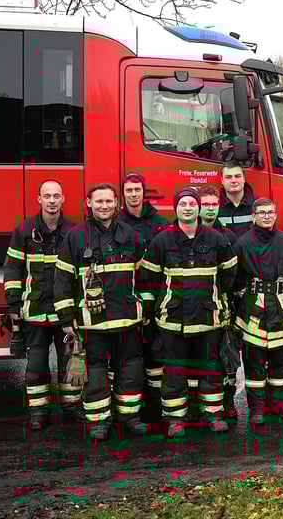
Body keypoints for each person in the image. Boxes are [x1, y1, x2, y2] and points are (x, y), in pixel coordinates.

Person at [138, 187, 236, 436]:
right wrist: (157, 307)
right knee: (174, 371)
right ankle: (175, 419)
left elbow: (229, 272)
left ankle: (212, 414)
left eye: (192, 203)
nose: (188, 208)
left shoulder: (215, 238)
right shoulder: (162, 240)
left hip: (208, 318)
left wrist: (214, 296)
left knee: (210, 369)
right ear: (176, 208)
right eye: (183, 204)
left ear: (199, 207)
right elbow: (149, 278)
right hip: (173, 320)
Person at [54, 183, 147, 440]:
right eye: (99, 201)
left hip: (128, 317)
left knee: (130, 367)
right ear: (88, 203)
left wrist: (145, 308)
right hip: (92, 322)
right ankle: (99, 420)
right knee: (95, 369)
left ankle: (129, 416)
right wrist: (66, 318)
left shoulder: (131, 235)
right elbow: (62, 279)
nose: (104, 206)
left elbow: (146, 277)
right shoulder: (75, 236)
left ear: (117, 203)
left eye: (108, 201)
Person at [4, 180, 78, 428]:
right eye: (47, 196)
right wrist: (14, 305)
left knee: (69, 361)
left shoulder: (73, 231)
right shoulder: (24, 230)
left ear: (63, 199)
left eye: (56, 195)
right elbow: (12, 269)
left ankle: (71, 406)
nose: (52, 200)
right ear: (39, 199)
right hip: (34, 311)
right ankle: (38, 410)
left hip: (64, 312)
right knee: (36, 364)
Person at [231, 198, 283, 424]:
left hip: (279, 308)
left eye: (270, 212)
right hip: (253, 309)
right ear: (253, 215)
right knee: (254, 362)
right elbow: (235, 277)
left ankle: (281, 403)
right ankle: (257, 407)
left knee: (280, 361)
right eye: (261, 213)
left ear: (276, 214)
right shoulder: (242, 243)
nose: (267, 216)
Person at [117, 172, 171, 413]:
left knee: (154, 351)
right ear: (123, 194)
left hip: (155, 296)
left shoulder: (159, 222)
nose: (133, 194)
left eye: (137, 189)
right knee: (129, 352)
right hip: (126, 296)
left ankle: (155, 402)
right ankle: (130, 404)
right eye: (129, 190)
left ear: (143, 192)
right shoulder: (117, 223)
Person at [198, 185, 241, 420]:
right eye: (206, 204)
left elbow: (234, 274)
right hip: (193, 308)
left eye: (215, 205)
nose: (211, 209)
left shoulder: (227, 236)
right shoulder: (184, 232)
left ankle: (227, 401)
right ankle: (200, 403)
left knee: (228, 356)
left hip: (223, 307)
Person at [217, 162, 256, 238]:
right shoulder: (215, 206)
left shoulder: (257, 204)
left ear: (244, 178)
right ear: (222, 180)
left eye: (237, 176)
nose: (233, 181)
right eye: (228, 177)